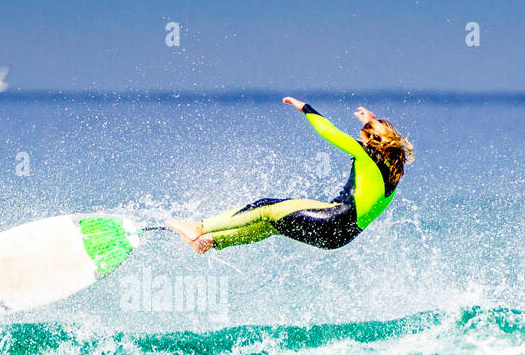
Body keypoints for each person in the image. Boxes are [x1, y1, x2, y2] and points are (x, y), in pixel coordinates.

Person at [171, 97, 413, 253]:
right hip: (340, 236)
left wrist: (305, 108)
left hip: (333, 218)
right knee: (274, 225)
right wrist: (371, 122)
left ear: (371, 142)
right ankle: (211, 242)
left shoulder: (365, 155)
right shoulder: (393, 170)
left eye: (365, 137)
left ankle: (199, 228)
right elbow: (378, 148)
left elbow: (329, 131)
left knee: (265, 207)